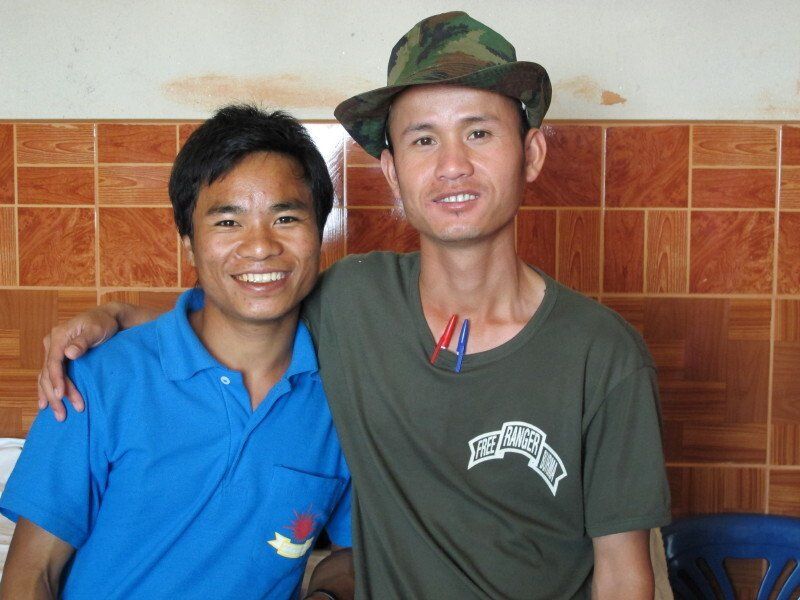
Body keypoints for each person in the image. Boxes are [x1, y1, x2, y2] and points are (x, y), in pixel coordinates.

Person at [36, 12, 670, 599]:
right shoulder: (353, 302)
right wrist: (114, 319)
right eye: (423, 140)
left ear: (530, 153)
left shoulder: (603, 355)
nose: (452, 165)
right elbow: (242, 313)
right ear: (392, 172)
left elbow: (622, 571)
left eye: (479, 132)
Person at [0, 106, 353, 600]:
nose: (259, 247)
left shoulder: (347, 393)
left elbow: (356, 555)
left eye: (286, 217)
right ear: (188, 242)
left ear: (320, 233)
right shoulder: (100, 379)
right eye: (228, 221)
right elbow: (32, 575)